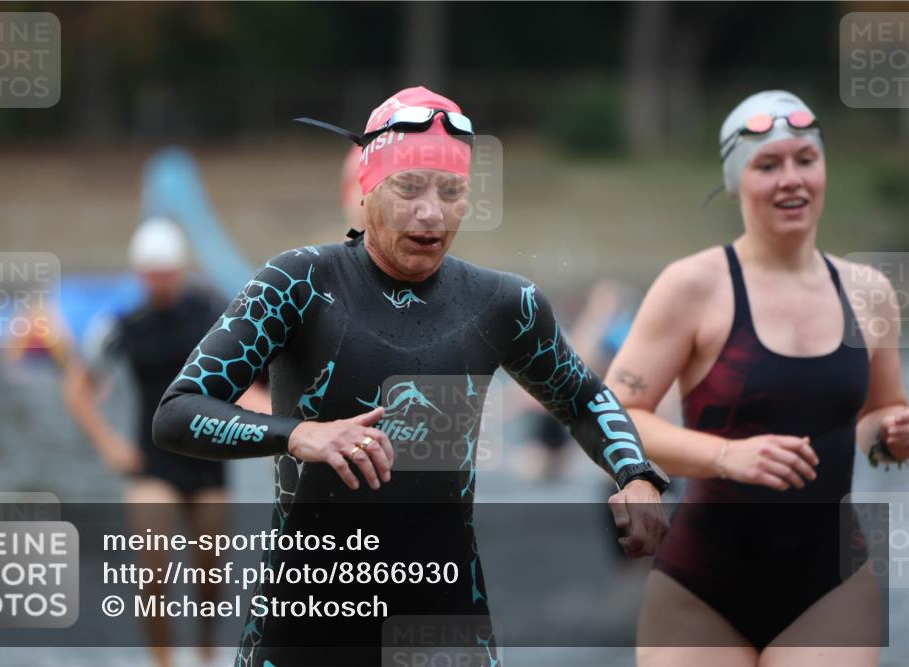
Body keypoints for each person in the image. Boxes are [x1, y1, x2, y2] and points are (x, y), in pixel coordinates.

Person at [153, 86, 669, 667]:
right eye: (409, 188)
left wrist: (637, 475)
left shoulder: (503, 304)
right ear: (368, 188)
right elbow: (178, 413)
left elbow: (582, 399)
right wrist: (299, 434)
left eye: (451, 192)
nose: (431, 212)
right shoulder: (297, 283)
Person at [604, 90, 909, 666]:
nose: (790, 179)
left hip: (830, 584)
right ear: (737, 180)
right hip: (702, 587)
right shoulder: (694, 286)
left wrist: (892, 433)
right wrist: (726, 457)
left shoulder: (869, 293)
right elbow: (613, 418)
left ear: (824, 169)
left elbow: (875, 419)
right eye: (768, 165)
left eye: (805, 160)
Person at [64, 217, 265, 667]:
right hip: (150, 460)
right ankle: (162, 662)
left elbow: (251, 372)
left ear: (181, 269)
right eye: (152, 273)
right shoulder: (122, 327)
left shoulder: (212, 316)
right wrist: (107, 444)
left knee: (211, 575)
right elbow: (77, 387)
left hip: (208, 458)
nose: (161, 281)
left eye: (168, 271)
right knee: (153, 570)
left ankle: (207, 650)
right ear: (139, 274)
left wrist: (273, 419)